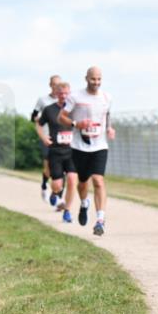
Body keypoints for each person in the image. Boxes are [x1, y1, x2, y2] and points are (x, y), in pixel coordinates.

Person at [59, 67, 115, 236]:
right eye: (93, 79)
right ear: (86, 78)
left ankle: (100, 220)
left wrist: (110, 128)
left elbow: (107, 115)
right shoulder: (75, 97)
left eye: (99, 79)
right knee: (82, 183)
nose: (96, 82)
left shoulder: (107, 97)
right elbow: (61, 117)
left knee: (98, 180)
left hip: (99, 146)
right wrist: (77, 124)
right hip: (79, 146)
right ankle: (84, 203)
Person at [37, 82, 78, 223]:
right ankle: (54, 193)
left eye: (66, 93)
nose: (64, 96)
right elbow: (38, 123)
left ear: (70, 94)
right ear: (56, 94)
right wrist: (43, 138)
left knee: (72, 179)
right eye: (61, 94)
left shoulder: (74, 109)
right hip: (55, 151)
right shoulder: (49, 110)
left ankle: (67, 211)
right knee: (58, 185)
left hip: (72, 151)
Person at [31, 75, 62, 203]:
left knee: (61, 168)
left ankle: (58, 197)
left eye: (59, 85)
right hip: (46, 137)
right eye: (54, 84)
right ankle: (44, 185)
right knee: (48, 168)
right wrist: (39, 119)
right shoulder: (42, 100)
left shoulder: (65, 101)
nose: (57, 87)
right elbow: (33, 117)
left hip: (60, 138)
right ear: (50, 85)